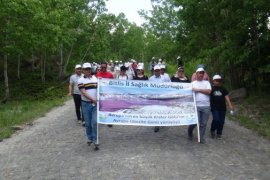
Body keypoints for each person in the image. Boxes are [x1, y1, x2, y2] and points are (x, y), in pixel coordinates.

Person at [78, 62, 99, 150]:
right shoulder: (81, 80)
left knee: (94, 122)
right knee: (88, 123)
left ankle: (95, 139)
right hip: (86, 103)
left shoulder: (95, 78)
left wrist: (97, 99)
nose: (88, 71)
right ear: (83, 70)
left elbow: (98, 88)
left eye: (89, 69)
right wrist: (92, 99)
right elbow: (83, 92)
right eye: (86, 69)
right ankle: (89, 137)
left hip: (95, 104)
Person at [188, 67, 211, 144]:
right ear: (196, 74)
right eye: (199, 73)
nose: (201, 74)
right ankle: (190, 130)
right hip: (196, 106)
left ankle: (201, 137)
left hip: (206, 106)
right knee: (195, 122)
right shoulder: (192, 84)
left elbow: (209, 91)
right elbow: (188, 94)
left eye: (202, 73)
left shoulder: (207, 83)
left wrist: (198, 90)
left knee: (203, 123)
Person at [210, 74, 233, 139]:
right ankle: (212, 130)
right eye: (216, 80)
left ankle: (219, 133)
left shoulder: (223, 89)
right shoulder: (211, 89)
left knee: (221, 121)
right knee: (216, 119)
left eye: (219, 80)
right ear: (213, 81)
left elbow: (226, 97)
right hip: (214, 107)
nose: (217, 82)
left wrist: (230, 105)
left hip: (222, 108)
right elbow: (207, 96)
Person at [95, 62, 114, 128]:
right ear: (100, 67)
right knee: (101, 107)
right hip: (100, 94)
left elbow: (113, 84)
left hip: (108, 94)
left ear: (106, 67)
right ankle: (103, 120)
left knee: (108, 107)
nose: (103, 68)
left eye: (104, 67)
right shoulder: (97, 75)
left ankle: (109, 121)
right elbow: (95, 84)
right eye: (102, 67)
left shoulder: (110, 75)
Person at [149, 65, 167, 132]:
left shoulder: (164, 78)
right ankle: (156, 124)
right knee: (155, 110)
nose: (157, 72)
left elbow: (169, 86)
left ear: (160, 71)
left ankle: (161, 121)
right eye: (155, 71)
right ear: (154, 71)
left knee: (162, 110)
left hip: (162, 97)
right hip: (154, 97)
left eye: (158, 70)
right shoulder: (151, 79)